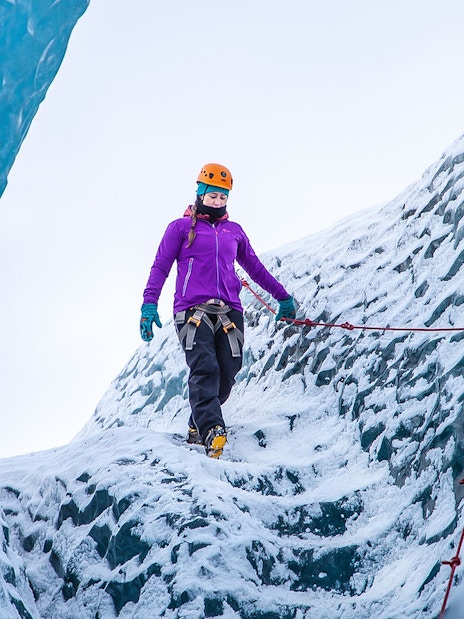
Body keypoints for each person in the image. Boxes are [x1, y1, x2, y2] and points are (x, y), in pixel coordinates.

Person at [140, 163, 296, 458]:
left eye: (223, 197)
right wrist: (149, 304)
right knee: (205, 367)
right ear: (200, 193)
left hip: (229, 312)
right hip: (190, 310)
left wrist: (282, 297)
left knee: (228, 373)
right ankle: (213, 429)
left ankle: (197, 426)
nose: (218, 202)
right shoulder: (180, 228)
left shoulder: (233, 232)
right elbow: (160, 266)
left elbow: (255, 268)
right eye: (212, 196)